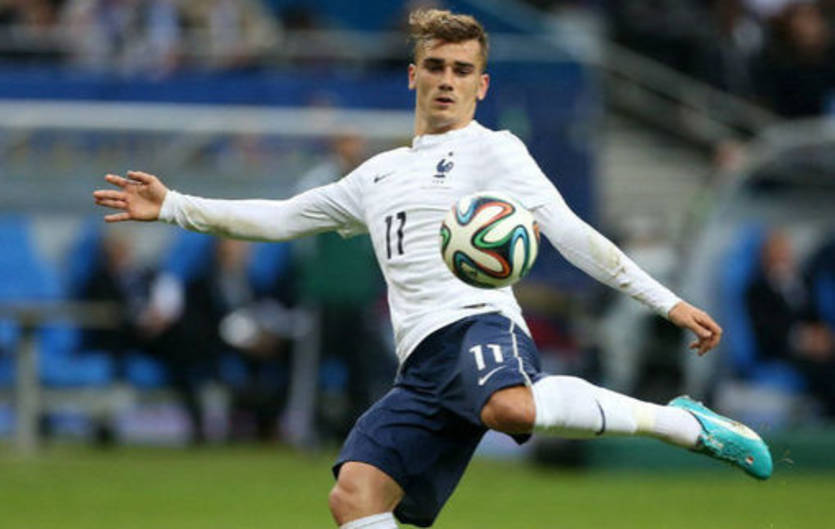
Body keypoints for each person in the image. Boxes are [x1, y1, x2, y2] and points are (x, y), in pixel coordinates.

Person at [93, 9, 772, 529]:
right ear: (412, 75)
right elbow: (281, 217)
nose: (447, 80)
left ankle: (681, 424)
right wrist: (174, 206)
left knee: (508, 405)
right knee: (354, 496)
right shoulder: (377, 175)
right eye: (436, 66)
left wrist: (666, 302)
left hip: (479, 325)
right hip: (420, 367)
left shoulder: (496, 151)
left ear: (481, 85)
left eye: (461, 70)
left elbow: (571, 233)